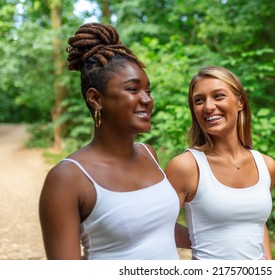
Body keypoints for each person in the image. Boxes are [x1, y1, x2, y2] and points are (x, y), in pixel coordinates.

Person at [39, 23, 180, 260]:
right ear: (95, 98)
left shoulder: (149, 154)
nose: (147, 100)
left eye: (148, 90)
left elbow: (157, 229)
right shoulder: (67, 178)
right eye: (133, 89)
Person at [165, 66, 275, 260]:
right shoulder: (186, 166)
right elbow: (155, 226)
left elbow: (258, 225)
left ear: (240, 102)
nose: (208, 106)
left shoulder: (266, 165)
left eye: (218, 96)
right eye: (199, 100)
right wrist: (202, 238)